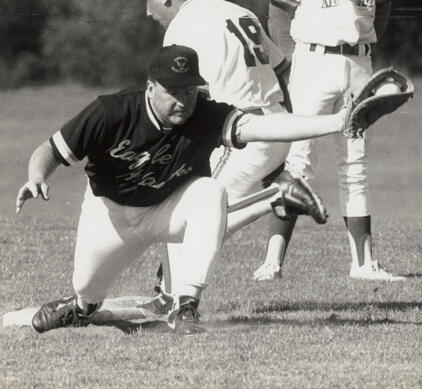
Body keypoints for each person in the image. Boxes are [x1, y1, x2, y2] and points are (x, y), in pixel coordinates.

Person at [16, 45, 348, 335]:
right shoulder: (111, 112)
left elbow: (264, 126)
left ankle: (185, 306)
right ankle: (80, 308)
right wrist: (36, 175)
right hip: (111, 215)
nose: (183, 100)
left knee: (210, 193)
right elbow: (50, 150)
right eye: (173, 91)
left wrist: (335, 123)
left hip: (165, 210)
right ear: (150, 87)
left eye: (189, 90)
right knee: (87, 294)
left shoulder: (205, 113)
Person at [130, 0, 303, 298]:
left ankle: (276, 195)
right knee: (191, 212)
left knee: (191, 215)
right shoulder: (234, 11)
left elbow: (179, 99)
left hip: (241, 132)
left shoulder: (184, 26)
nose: (146, 9)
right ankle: (169, 295)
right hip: (272, 124)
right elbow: (282, 68)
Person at [262, 0, 405, 281]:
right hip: (311, 59)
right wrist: (289, 62)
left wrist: (368, 49)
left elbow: (385, 6)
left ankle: (363, 264)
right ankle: (272, 262)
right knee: (298, 158)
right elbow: (277, 13)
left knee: (354, 160)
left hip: (358, 63)